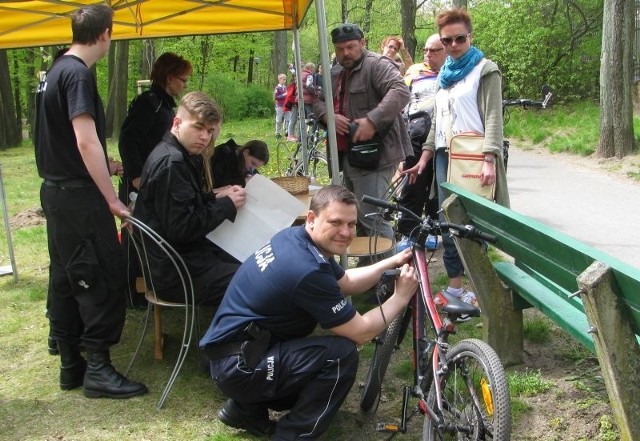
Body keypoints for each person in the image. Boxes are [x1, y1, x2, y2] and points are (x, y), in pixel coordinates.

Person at [200, 185, 418, 440]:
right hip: (239, 367)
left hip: (237, 353)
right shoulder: (306, 270)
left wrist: (390, 262)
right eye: (336, 222)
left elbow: (345, 282)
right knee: (340, 356)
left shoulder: (294, 237)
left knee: (314, 348)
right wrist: (401, 296)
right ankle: (292, 435)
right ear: (312, 219)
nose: (346, 232)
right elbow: (361, 333)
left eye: (351, 224)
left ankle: (246, 409)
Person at [34, 4, 147, 399]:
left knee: (66, 275)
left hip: (57, 193)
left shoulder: (54, 71)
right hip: (80, 199)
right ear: (106, 34)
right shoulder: (78, 74)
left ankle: (71, 364)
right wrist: (111, 197)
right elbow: (84, 139)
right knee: (100, 273)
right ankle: (97, 367)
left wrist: (106, 163)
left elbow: (64, 140)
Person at [416, 7, 509, 306]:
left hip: (474, 156)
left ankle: (480, 287)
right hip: (446, 156)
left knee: (474, 222)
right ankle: (456, 286)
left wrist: (490, 160)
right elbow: (438, 121)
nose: (453, 45)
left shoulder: (485, 70)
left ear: (470, 36)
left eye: (459, 39)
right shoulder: (444, 75)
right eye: (447, 41)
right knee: (448, 219)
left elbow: (494, 118)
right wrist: (426, 155)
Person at [132, 91, 246, 306]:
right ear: (177, 123)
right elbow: (183, 228)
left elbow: (181, 206)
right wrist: (226, 204)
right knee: (256, 277)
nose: (205, 136)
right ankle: (241, 337)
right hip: (177, 273)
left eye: (210, 130)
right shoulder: (171, 164)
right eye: (198, 127)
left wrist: (214, 195)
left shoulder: (176, 154)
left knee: (250, 260)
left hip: (180, 260)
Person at [313, 23, 412, 243]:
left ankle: (388, 274)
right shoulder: (336, 71)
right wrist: (328, 116)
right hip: (344, 156)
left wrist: (372, 120)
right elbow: (318, 102)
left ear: (362, 43)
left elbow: (400, 91)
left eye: (350, 47)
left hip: (375, 156)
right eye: (340, 49)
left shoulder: (377, 65)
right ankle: (368, 273)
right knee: (353, 217)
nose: (345, 53)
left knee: (372, 218)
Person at [118, 52, 192, 308]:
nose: (184, 85)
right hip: (138, 182)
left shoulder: (165, 103)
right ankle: (132, 293)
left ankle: (148, 285)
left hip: (154, 180)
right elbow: (128, 141)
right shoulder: (148, 103)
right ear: (169, 78)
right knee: (134, 237)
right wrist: (136, 175)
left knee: (151, 235)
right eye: (183, 79)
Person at [396, 34, 447, 237]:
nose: (427, 54)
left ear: (445, 51)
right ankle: (409, 233)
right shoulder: (415, 71)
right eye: (425, 50)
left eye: (433, 50)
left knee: (438, 188)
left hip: (443, 138)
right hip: (416, 137)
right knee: (413, 187)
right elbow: (400, 106)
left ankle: (433, 232)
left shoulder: (452, 74)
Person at [273, 73, 289, 139]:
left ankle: (287, 131)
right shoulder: (277, 88)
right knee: (279, 120)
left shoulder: (285, 87)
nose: (284, 81)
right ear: (279, 80)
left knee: (289, 119)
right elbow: (276, 97)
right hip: (279, 106)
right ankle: (278, 133)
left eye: (285, 79)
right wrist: (284, 95)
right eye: (283, 79)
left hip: (286, 105)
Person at [284, 73, 298, 142]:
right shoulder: (292, 85)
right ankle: (289, 136)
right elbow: (289, 96)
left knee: (294, 120)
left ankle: (292, 134)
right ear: (294, 77)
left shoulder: (296, 84)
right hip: (293, 105)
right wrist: (296, 101)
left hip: (295, 104)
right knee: (293, 120)